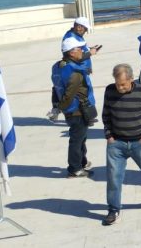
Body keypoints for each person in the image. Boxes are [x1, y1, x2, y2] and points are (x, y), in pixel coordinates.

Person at [101, 64, 141, 226]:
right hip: (116, 144)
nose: (119, 87)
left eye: (123, 84)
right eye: (117, 83)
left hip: (139, 142)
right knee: (113, 178)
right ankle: (113, 209)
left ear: (131, 79)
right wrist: (109, 136)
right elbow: (106, 114)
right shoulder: (110, 90)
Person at [53, 37, 96, 178]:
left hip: (73, 110)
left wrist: (56, 106)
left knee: (81, 138)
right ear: (71, 53)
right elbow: (69, 94)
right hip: (76, 110)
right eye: (79, 49)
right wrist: (60, 108)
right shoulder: (75, 73)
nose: (82, 51)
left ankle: (81, 162)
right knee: (77, 140)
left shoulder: (59, 66)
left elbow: (56, 88)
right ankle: (75, 168)